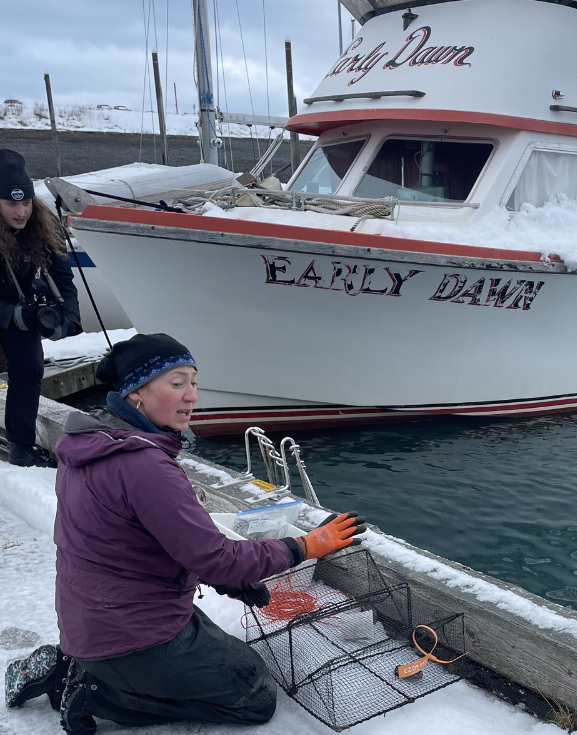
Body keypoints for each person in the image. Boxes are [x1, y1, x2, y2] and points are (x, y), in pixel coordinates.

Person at [4, 333, 367, 734]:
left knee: (236, 661)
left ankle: (76, 661)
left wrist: (221, 578)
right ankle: (94, 690)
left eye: (194, 382)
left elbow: (142, 541)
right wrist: (304, 545)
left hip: (98, 616)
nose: (192, 396)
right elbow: (216, 555)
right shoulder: (144, 465)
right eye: (177, 383)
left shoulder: (89, 443)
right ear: (136, 393)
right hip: (130, 632)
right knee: (255, 696)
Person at [0, 149, 81, 467]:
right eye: (11, 203)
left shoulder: (42, 226)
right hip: (9, 310)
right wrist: (11, 315)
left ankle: (21, 446)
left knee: (30, 370)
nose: (21, 212)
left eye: (26, 202)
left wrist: (68, 320)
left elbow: (64, 280)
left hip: (18, 309)